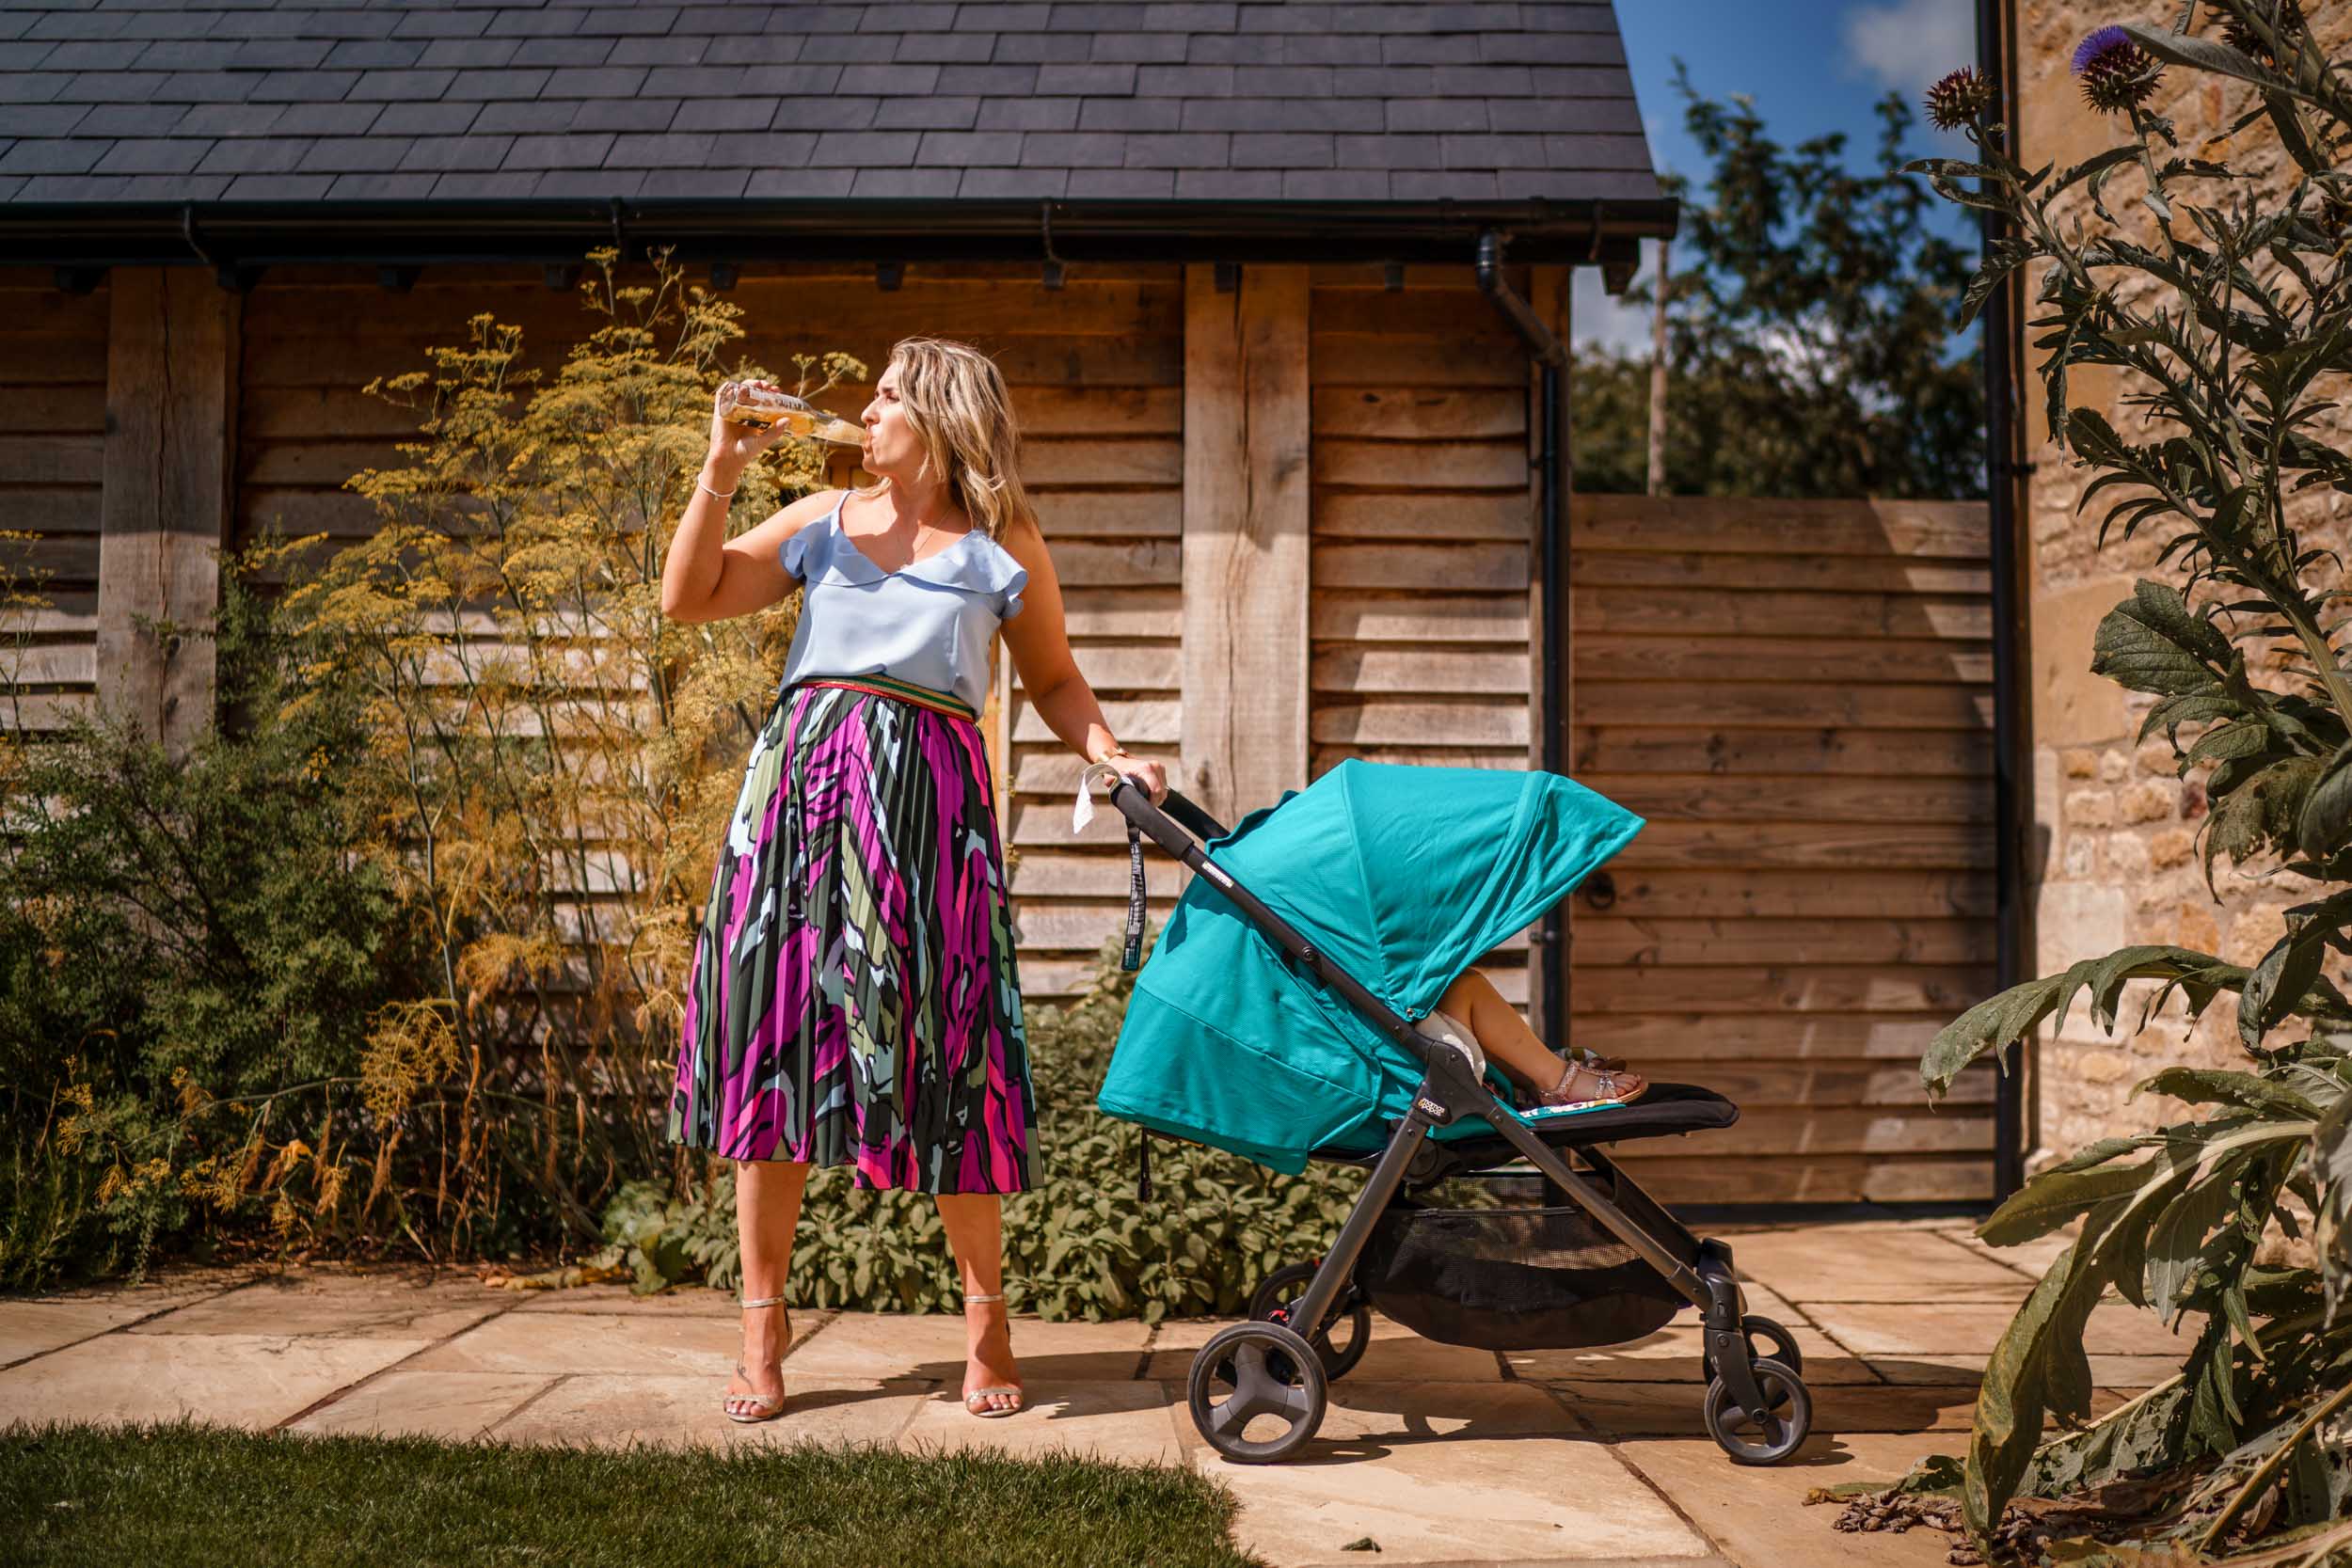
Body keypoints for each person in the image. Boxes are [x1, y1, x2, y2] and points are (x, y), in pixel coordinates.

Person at [660, 339, 1168, 1425]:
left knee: (956, 1052)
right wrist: (721, 466)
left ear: (937, 420)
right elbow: (686, 595)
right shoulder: (815, 523)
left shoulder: (999, 541)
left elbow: (1055, 677)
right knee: (774, 1053)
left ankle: (986, 1320)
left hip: (929, 816)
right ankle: (762, 1328)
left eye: (887, 395)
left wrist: (1108, 753)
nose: (865, 409)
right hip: (795, 805)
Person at [1429, 966, 1647, 1111]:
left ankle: (1532, 1077)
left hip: (1430, 1078)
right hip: (1432, 1097)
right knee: (1464, 987)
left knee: (1456, 985)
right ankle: (1553, 1080)